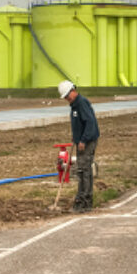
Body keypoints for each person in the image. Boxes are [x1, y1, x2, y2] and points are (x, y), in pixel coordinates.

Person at [58, 80, 99, 212]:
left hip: (87, 142)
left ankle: (84, 202)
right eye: (65, 97)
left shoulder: (81, 103)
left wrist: (83, 140)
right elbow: (80, 123)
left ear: (73, 91)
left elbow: (90, 123)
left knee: (84, 171)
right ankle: (82, 200)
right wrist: (76, 137)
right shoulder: (75, 105)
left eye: (67, 96)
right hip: (81, 141)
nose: (66, 99)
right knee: (82, 170)